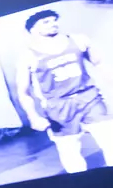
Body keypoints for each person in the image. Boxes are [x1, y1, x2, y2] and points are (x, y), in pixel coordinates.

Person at [18, 9, 113, 174]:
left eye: (54, 20)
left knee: (110, 140)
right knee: (71, 155)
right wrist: (33, 116)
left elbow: (100, 64)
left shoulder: (78, 40)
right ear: (33, 29)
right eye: (45, 22)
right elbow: (23, 91)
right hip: (58, 108)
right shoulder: (28, 56)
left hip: (89, 98)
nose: (53, 23)